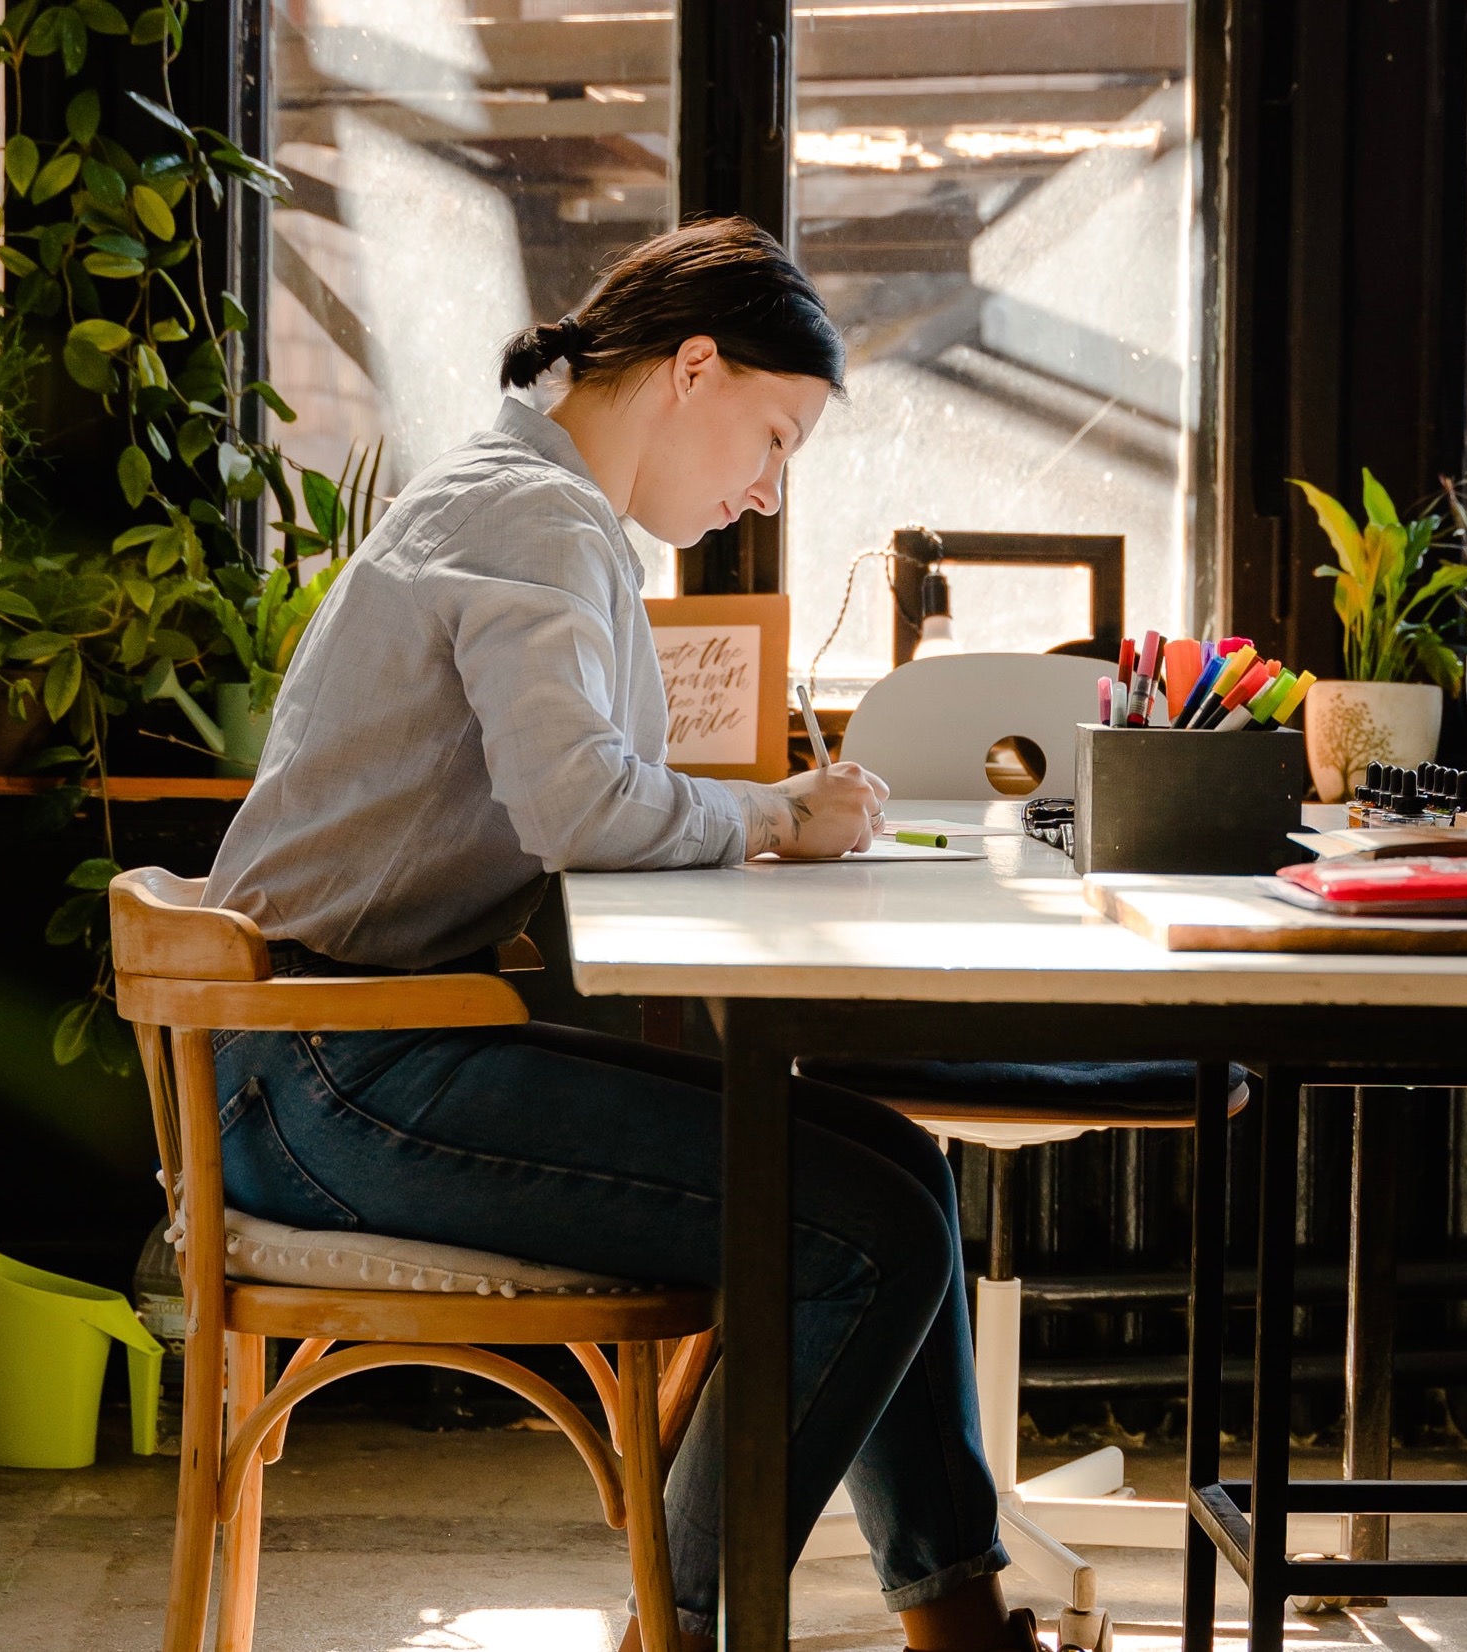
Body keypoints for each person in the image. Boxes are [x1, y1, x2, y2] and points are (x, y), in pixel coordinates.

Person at [198, 218, 1033, 1652]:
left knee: (888, 1162)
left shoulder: (516, 492)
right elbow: (580, 805)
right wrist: (774, 819)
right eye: (771, 436)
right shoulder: (534, 514)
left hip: (338, 1056)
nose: (767, 488)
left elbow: (575, 787)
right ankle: (685, 1626)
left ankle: (953, 1620)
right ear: (692, 366)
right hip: (335, 1076)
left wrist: (755, 812)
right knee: (871, 1223)